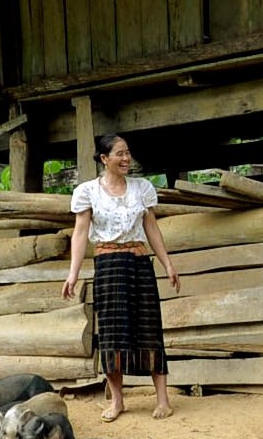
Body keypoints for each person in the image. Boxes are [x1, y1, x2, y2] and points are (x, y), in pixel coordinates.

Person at [62, 134, 181, 421]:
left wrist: (167, 263)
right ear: (104, 159)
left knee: (149, 327)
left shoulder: (142, 188)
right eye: (119, 154)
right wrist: (73, 273)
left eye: (128, 153)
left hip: (139, 263)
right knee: (113, 333)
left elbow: (151, 227)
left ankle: (162, 399)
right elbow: (80, 234)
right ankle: (117, 401)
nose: (126, 159)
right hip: (108, 264)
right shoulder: (88, 191)